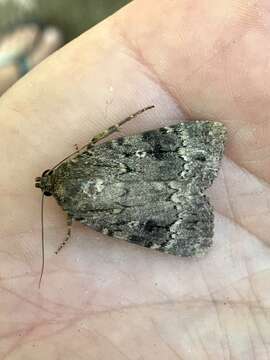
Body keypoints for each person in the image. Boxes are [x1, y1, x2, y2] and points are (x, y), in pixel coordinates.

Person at [1, 0, 269, 358]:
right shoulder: (79, 162)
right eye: (48, 179)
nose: (46, 183)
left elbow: (86, 216)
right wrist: (136, 116)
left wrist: (68, 231)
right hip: (159, 158)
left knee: (132, 222)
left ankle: (12, 69)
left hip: (144, 215)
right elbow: (104, 136)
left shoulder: (76, 212)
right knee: (144, 154)